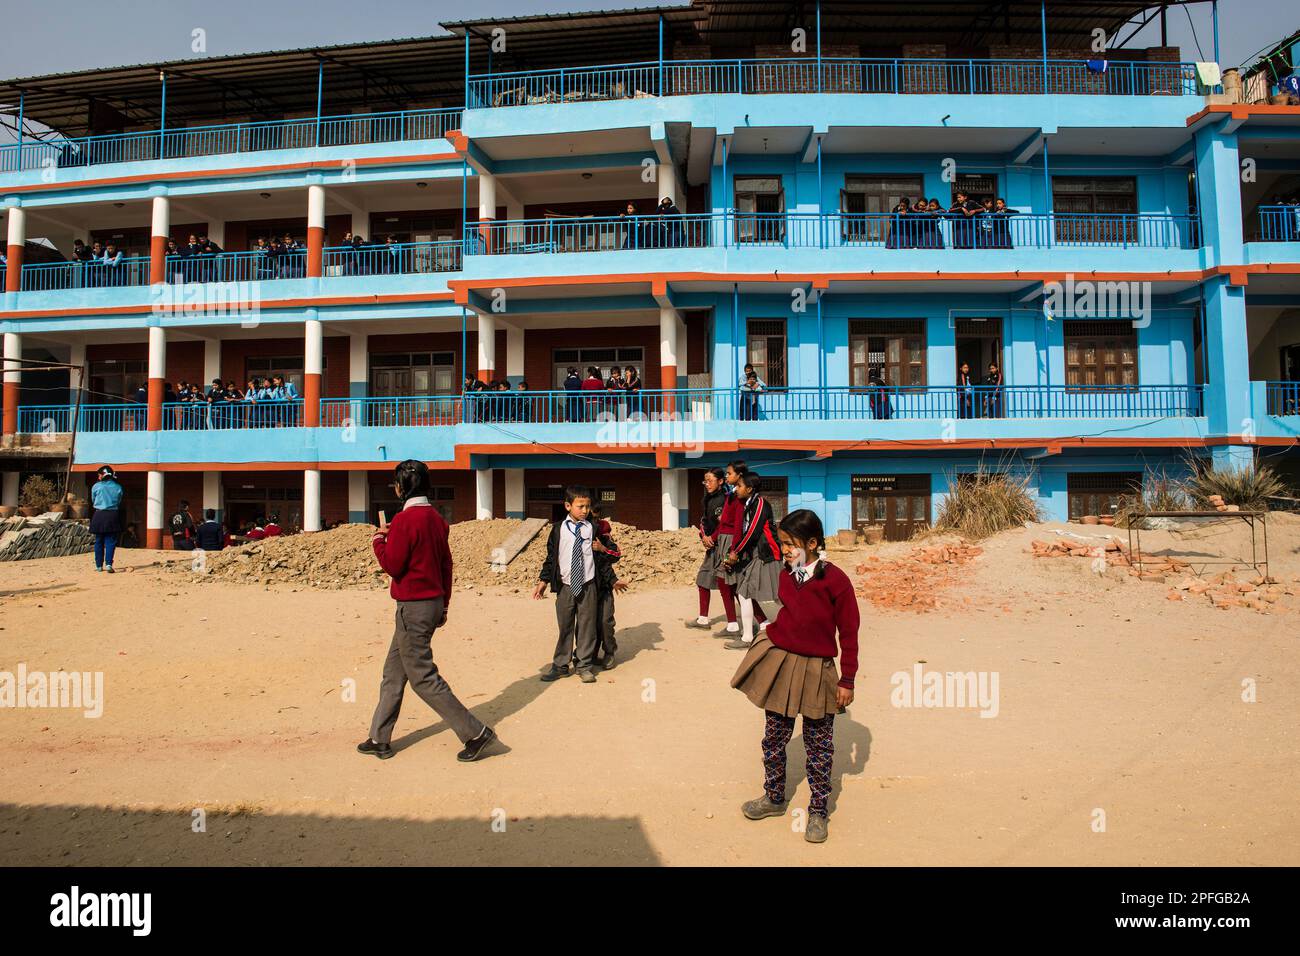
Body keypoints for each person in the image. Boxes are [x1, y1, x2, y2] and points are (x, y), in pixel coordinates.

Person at [729, 508, 860, 844]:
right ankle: (773, 797)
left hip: (818, 670)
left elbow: (849, 633)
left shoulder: (836, 581)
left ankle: (818, 811)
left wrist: (847, 680)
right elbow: (785, 611)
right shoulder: (786, 575)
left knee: (819, 746)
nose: (785, 551)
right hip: (783, 666)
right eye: (783, 544)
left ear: (813, 543)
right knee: (773, 738)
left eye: (790, 544)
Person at [360, 459, 496, 762]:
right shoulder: (435, 518)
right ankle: (379, 737)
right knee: (393, 673)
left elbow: (393, 565)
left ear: (401, 487)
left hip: (412, 607)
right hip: (433, 602)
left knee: (422, 676)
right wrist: (445, 603)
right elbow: (446, 565)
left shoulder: (406, 520)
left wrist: (379, 540)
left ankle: (475, 733)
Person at [532, 485, 602, 683]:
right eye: (580, 506)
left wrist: (603, 549)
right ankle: (561, 665)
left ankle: (584, 665)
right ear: (567, 506)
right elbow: (551, 557)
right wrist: (543, 580)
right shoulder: (558, 529)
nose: (585, 510)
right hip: (566, 585)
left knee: (587, 626)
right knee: (565, 626)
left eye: (587, 506)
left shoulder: (594, 528)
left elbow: (606, 557)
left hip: (588, 584)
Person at [722, 470, 783, 650]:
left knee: (780, 596)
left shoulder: (760, 504)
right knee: (745, 592)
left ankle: (752, 635)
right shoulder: (748, 504)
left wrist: (736, 552)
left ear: (749, 488)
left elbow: (753, 532)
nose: (736, 488)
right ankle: (750, 635)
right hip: (756, 555)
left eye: (739, 486)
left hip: (768, 555)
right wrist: (735, 553)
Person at [686, 467, 730, 630]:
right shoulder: (707, 499)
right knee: (703, 579)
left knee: (731, 585)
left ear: (720, 481)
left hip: (725, 546)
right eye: (706, 481)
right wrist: (704, 536)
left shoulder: (726, 500)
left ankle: (760, 622)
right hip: (711, 548)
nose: (707, 484)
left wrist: (713, 537)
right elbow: (704, 520)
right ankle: (703, 619)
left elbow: (726, 524)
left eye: (711, 480)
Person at [589, 505, 625, 670]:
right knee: (587, 623)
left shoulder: (603, 537)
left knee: (605, 621)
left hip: (603, 588)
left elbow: (615, 556)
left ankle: (609, 652)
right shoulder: (574, 534)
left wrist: (602, 549)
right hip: (586, 589)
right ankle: (589, 653)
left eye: (596, 518)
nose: (593, 522)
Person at [89, 465, 124, 572]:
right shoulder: (118, 487)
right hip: (112, 515)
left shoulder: (96, 486)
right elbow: (119, 501)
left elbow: (93, 499)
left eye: (99, 475)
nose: (98, 477)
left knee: (99, 540)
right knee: (111, 541)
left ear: (103, 475)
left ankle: (99, 566)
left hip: (99, 515)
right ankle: (109, 564)